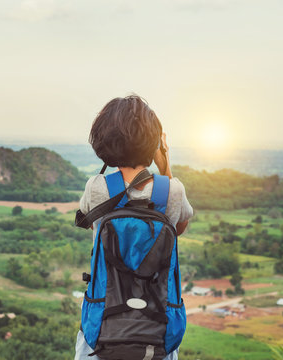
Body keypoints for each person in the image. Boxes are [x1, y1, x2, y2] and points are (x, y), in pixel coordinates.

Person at [74, 95, 193, 360]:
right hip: (158, 327)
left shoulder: (97, 188)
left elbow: (84, 215)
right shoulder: (171, 190)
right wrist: (165, 166)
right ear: (155, 143)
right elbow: (180, 227)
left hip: (103, 327)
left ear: (103, 141)